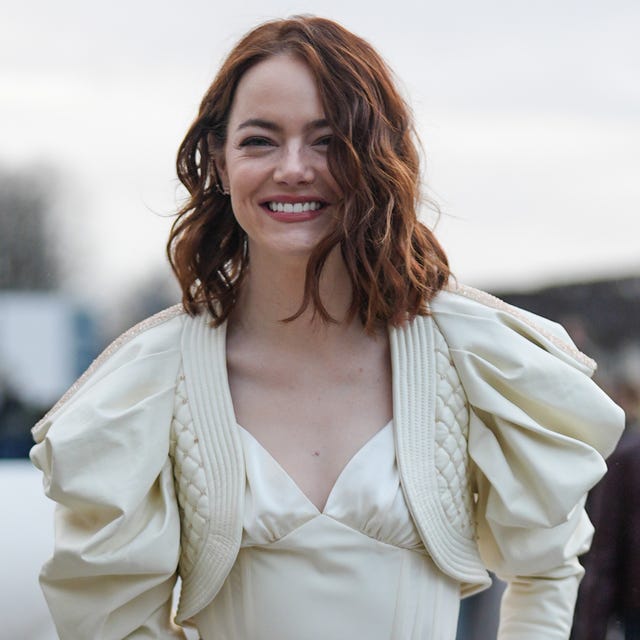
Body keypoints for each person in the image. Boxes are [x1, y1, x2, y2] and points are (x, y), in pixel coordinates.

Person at [30, 16, 624, 640]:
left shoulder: (472, 354)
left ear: (375, 158)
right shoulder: (151, 379)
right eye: (260, 140)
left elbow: (546, 572)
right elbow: (112, 622)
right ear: (220, 161)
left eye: (328, 140)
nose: (293, 168)